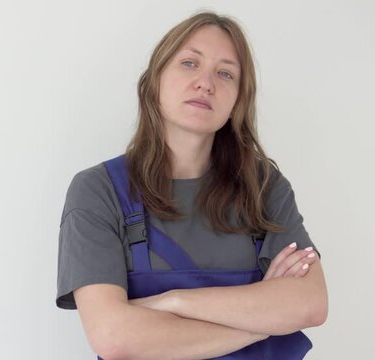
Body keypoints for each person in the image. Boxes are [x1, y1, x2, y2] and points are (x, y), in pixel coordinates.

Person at [56, 10, 328, 360]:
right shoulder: (99, 191)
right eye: (189, 63)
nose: (206, 82)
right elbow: (114, 338)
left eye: (225, 73)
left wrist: (173, 302)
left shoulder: (264, 188)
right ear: (155, 79)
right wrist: (266, 320)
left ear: (237, 101)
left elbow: (310, 304)